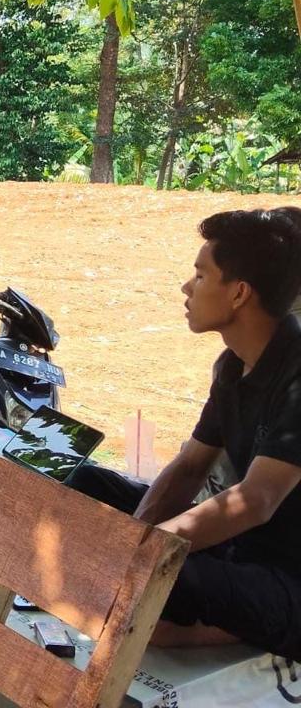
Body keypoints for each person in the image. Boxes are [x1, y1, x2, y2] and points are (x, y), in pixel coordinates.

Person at [69, 208, 301, 658]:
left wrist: (145, 557)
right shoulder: (233, 365)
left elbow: (256, 500)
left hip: (284, 573)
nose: (186, 287)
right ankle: (169, 617)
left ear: (239, 293)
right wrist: (134, 539)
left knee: (161, 587)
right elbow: (191, 465)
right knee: (83, 486)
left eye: (200, 275)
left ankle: (198, 630)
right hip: (238, 550)